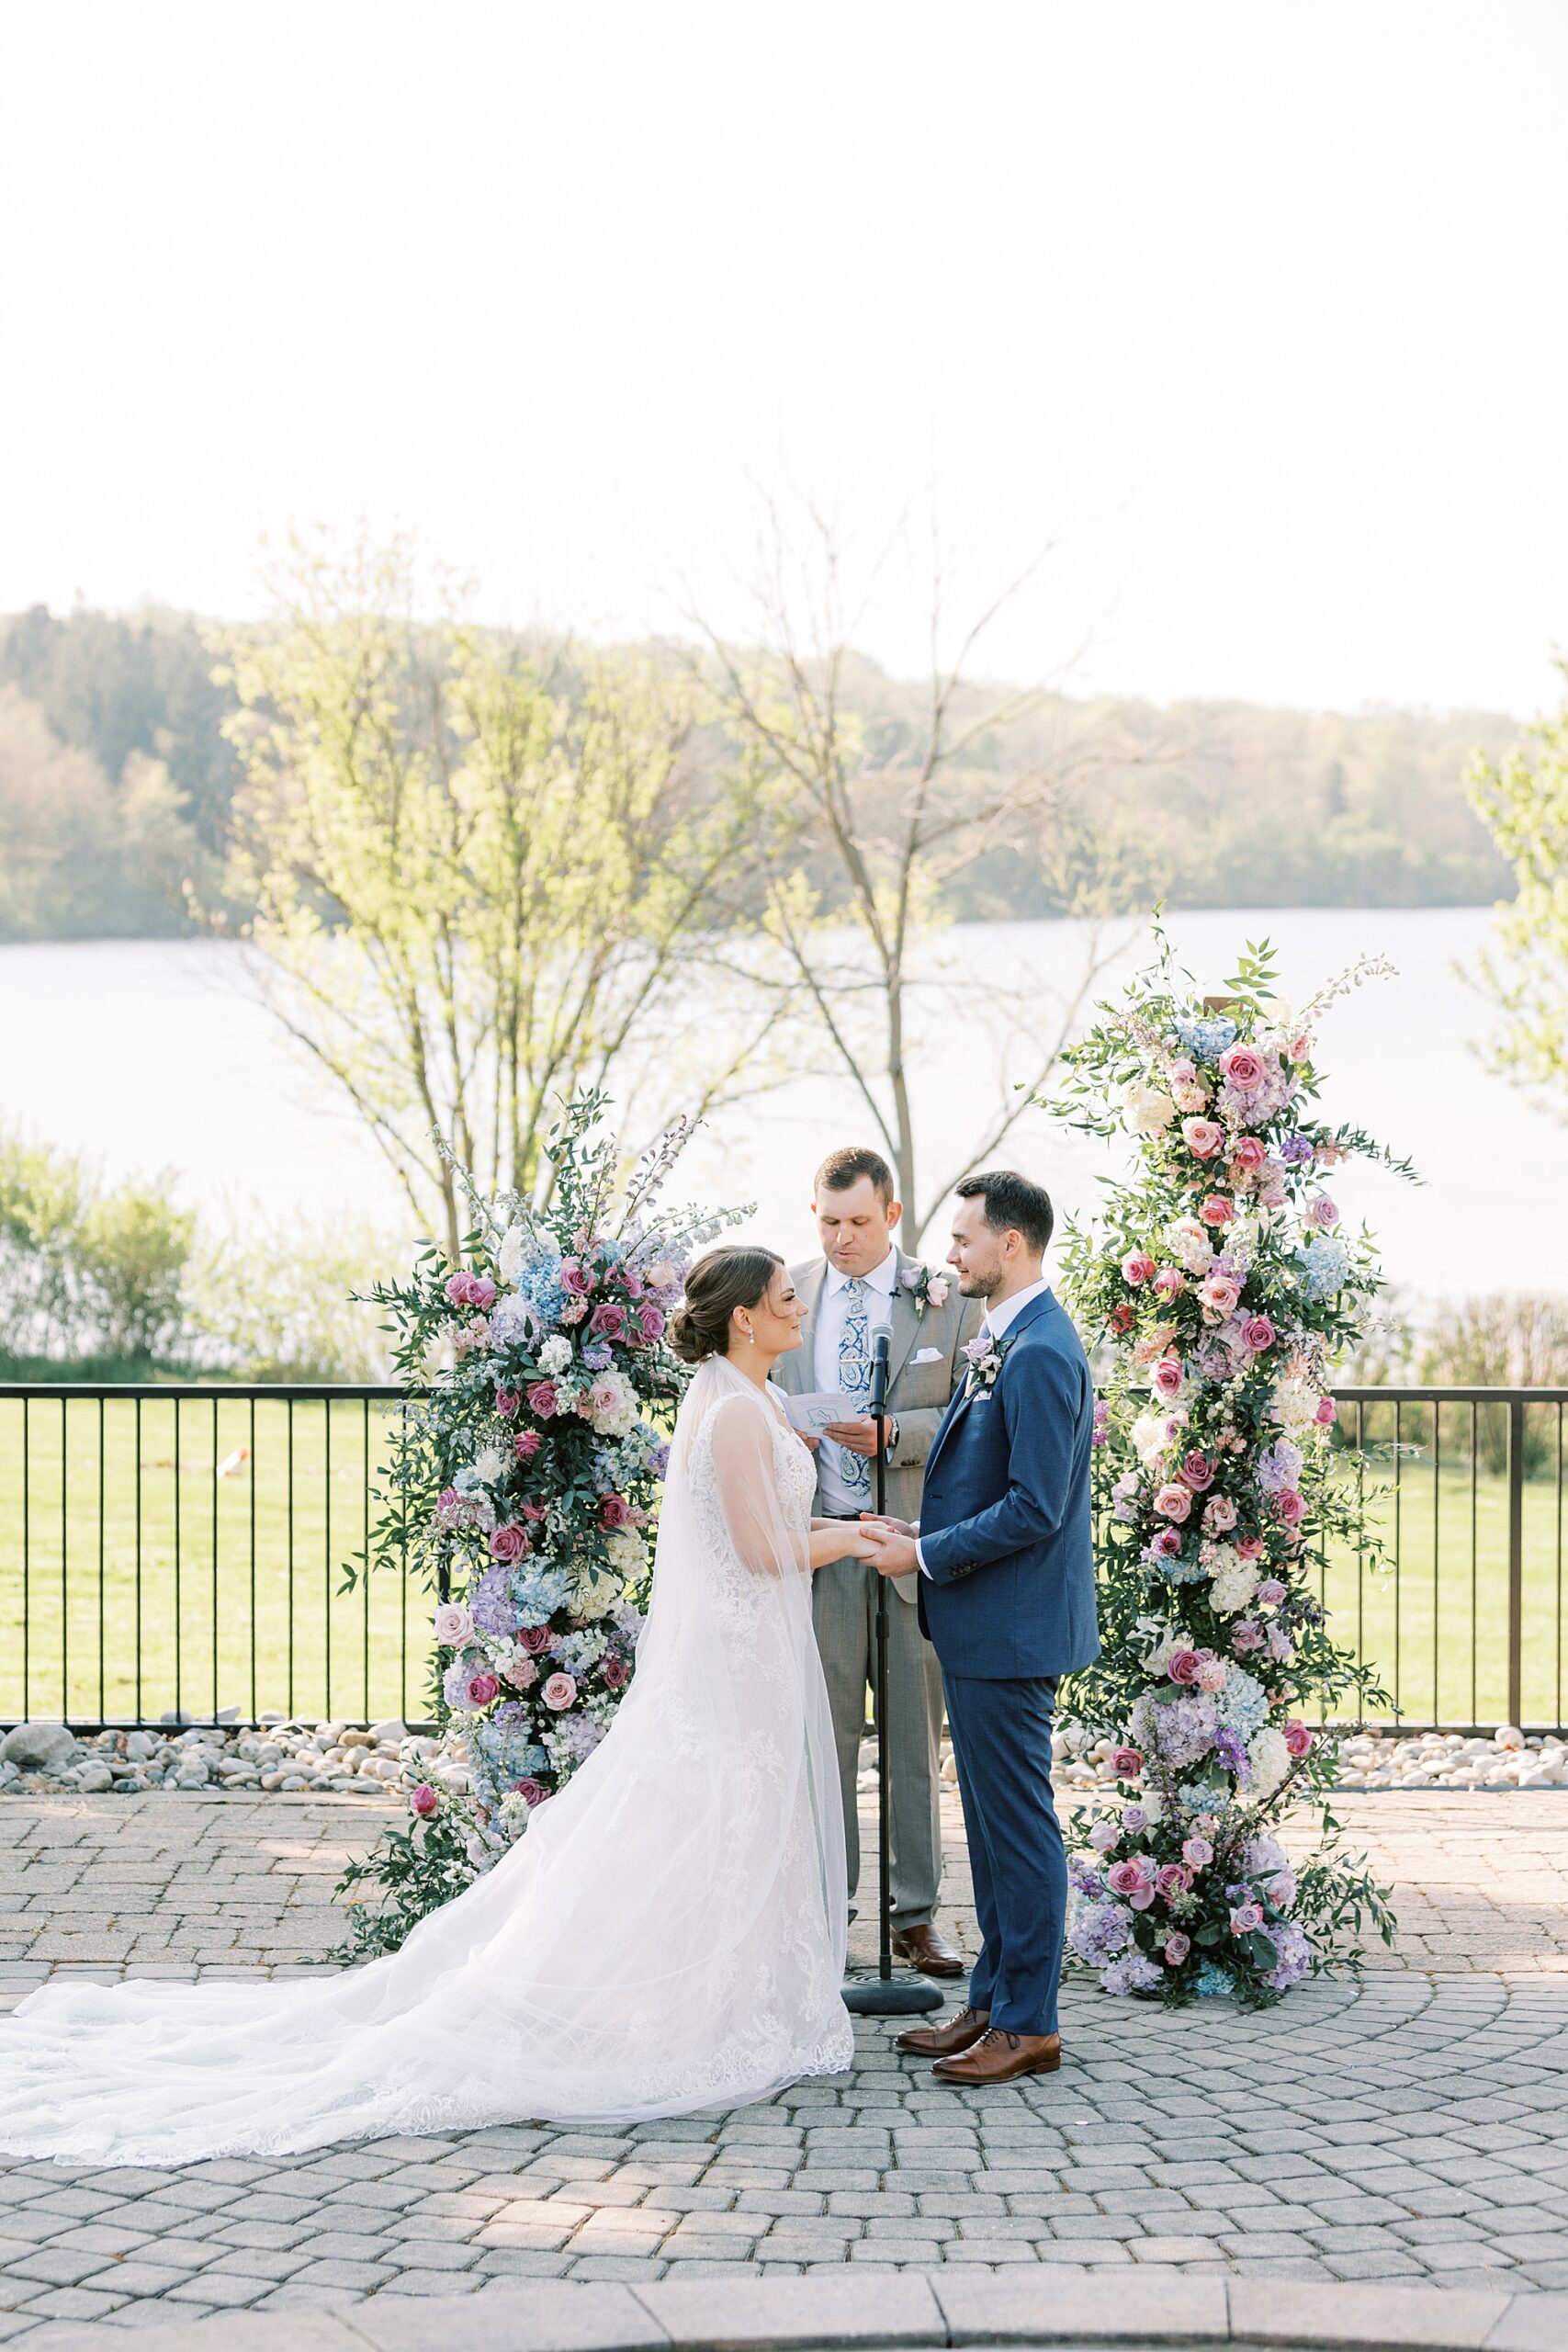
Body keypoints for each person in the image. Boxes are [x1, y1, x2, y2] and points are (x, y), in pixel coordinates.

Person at [0, 1248, 867, 2165]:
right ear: (744, 1318)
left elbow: (773, 1533)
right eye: (784, 1300)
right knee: (707, 1815)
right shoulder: (732, 1411)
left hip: (759, 1654)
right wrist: (851, 1536)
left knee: (737, 1817)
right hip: (731, 1660)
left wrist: (853, 1531)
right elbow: (761, 1551)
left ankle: (737, 1995)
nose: (798, 1310)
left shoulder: (762, 1400)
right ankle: (682, 2005)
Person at [862, 1170, 1100, 2086]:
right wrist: (920, 1531)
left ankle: (1030, 2022)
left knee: (1019, 1829)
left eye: (963, 1239)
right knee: (995, 1833)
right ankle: (995, 2001)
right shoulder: (1006, 1335)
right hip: (985, 1622)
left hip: (1011, 1628)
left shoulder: (1040, 1351)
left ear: (1011, 1244)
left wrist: (922, 1557)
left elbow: (1036, 1506)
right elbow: (988, 1487)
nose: (949, 1252)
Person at [771, 1147, 980, 1977]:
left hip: (909, 1547)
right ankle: (826, 1911)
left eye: (858, 1221)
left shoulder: (947, 1297)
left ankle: (914, 1916)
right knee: (821, 1743)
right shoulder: (783, 1291)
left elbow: (975, 1413)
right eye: (827, 1222)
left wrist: (896, 1435)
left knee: (910, 1742)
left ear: (891, 1216)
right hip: (819, 1548)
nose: (842, 1238)